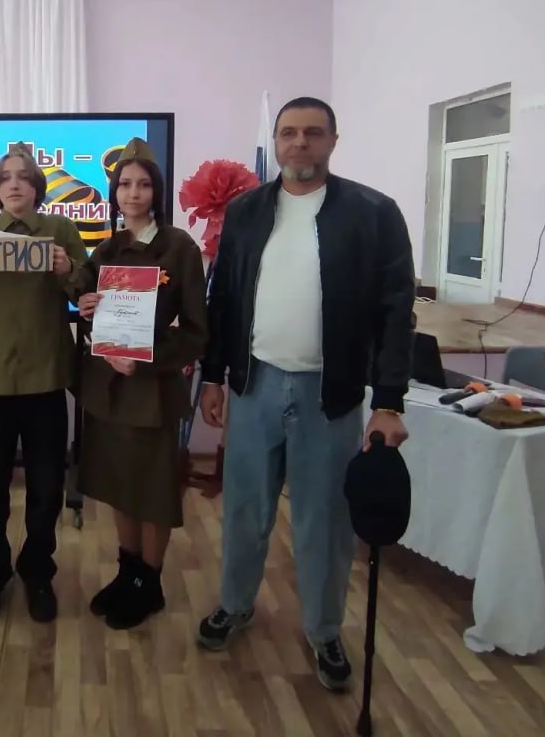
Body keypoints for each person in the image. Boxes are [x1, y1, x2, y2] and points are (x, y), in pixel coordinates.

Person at [195, 97, 415, 692]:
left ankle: (323, 630)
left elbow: (397, 313)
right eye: (288, 132)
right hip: (254, 384)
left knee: (326, 521)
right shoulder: (245, 212)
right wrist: (213, 375)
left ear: (333, 141)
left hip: (331, 394)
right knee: (246, 509)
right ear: (276, 141)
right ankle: (235, 604)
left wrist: (389, 401)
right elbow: (224, 299)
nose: (299, 143)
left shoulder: (373, 213)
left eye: (313, 133)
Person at [0, 146, 87, 624]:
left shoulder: (61, 231)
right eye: (6, 178)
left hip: (45, 379)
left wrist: (69, 271)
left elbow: (86, 290)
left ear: (38, 188)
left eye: (25, 177)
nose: (16, 184)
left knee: (46, 489)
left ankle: (38, 572)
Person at [74, 137, 207, 630]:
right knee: (118, 485)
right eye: (125, 184)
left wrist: (147, 361)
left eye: (144, 184)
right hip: (110, 390)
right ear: (114, 192)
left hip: (151, 391)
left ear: (157, 192)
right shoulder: (107, 249)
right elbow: (91, 309)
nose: (133, 193)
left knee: (152, 492)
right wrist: (87, 307)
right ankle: (127, 572)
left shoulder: (179, 248)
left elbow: (196, 332)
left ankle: (150, 584)